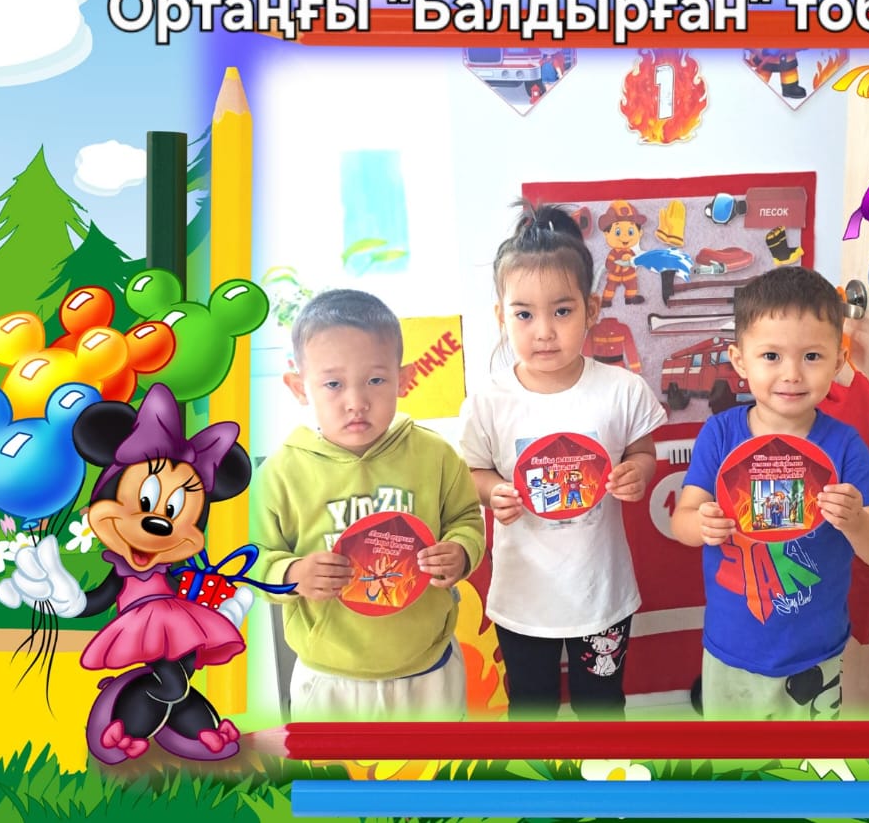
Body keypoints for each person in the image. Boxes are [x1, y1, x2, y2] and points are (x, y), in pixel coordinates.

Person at [461, 202, 666, 720]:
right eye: (524, 314)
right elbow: (473, 471)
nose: (543, 331)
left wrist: (638, 473)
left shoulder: (621, 390)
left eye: (562, 311)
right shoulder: (488, 400)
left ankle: (604, 773)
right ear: (501, 317)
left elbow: (644, 451)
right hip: (523, 598)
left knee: (602, 709)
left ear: (591, 310)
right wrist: (493, 491)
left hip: (601, 596)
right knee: (532, 711)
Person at [671, 267, 869, 720]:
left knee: (810, 762)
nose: (792, 374)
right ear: (740, 361)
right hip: (731, 649)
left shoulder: (845, 444)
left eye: (812, 356)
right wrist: (702, 524)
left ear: (838, 360)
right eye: (771, 356)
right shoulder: (720, 434)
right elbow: (683, 520)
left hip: (816, 655)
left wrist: (856, 521)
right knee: (733, 761)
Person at [253, 289, 485, 721]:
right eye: (333, 384)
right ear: (299, 387)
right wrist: (290, 575)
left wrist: (460, 550)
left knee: (436, 765)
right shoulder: (280, 473)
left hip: (428, 670)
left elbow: (466, 518)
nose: (356, 402)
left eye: (376, 381)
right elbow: (250, 559)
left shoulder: (435, 455)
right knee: (336, 769)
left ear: (404, 379)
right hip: (329, 679)